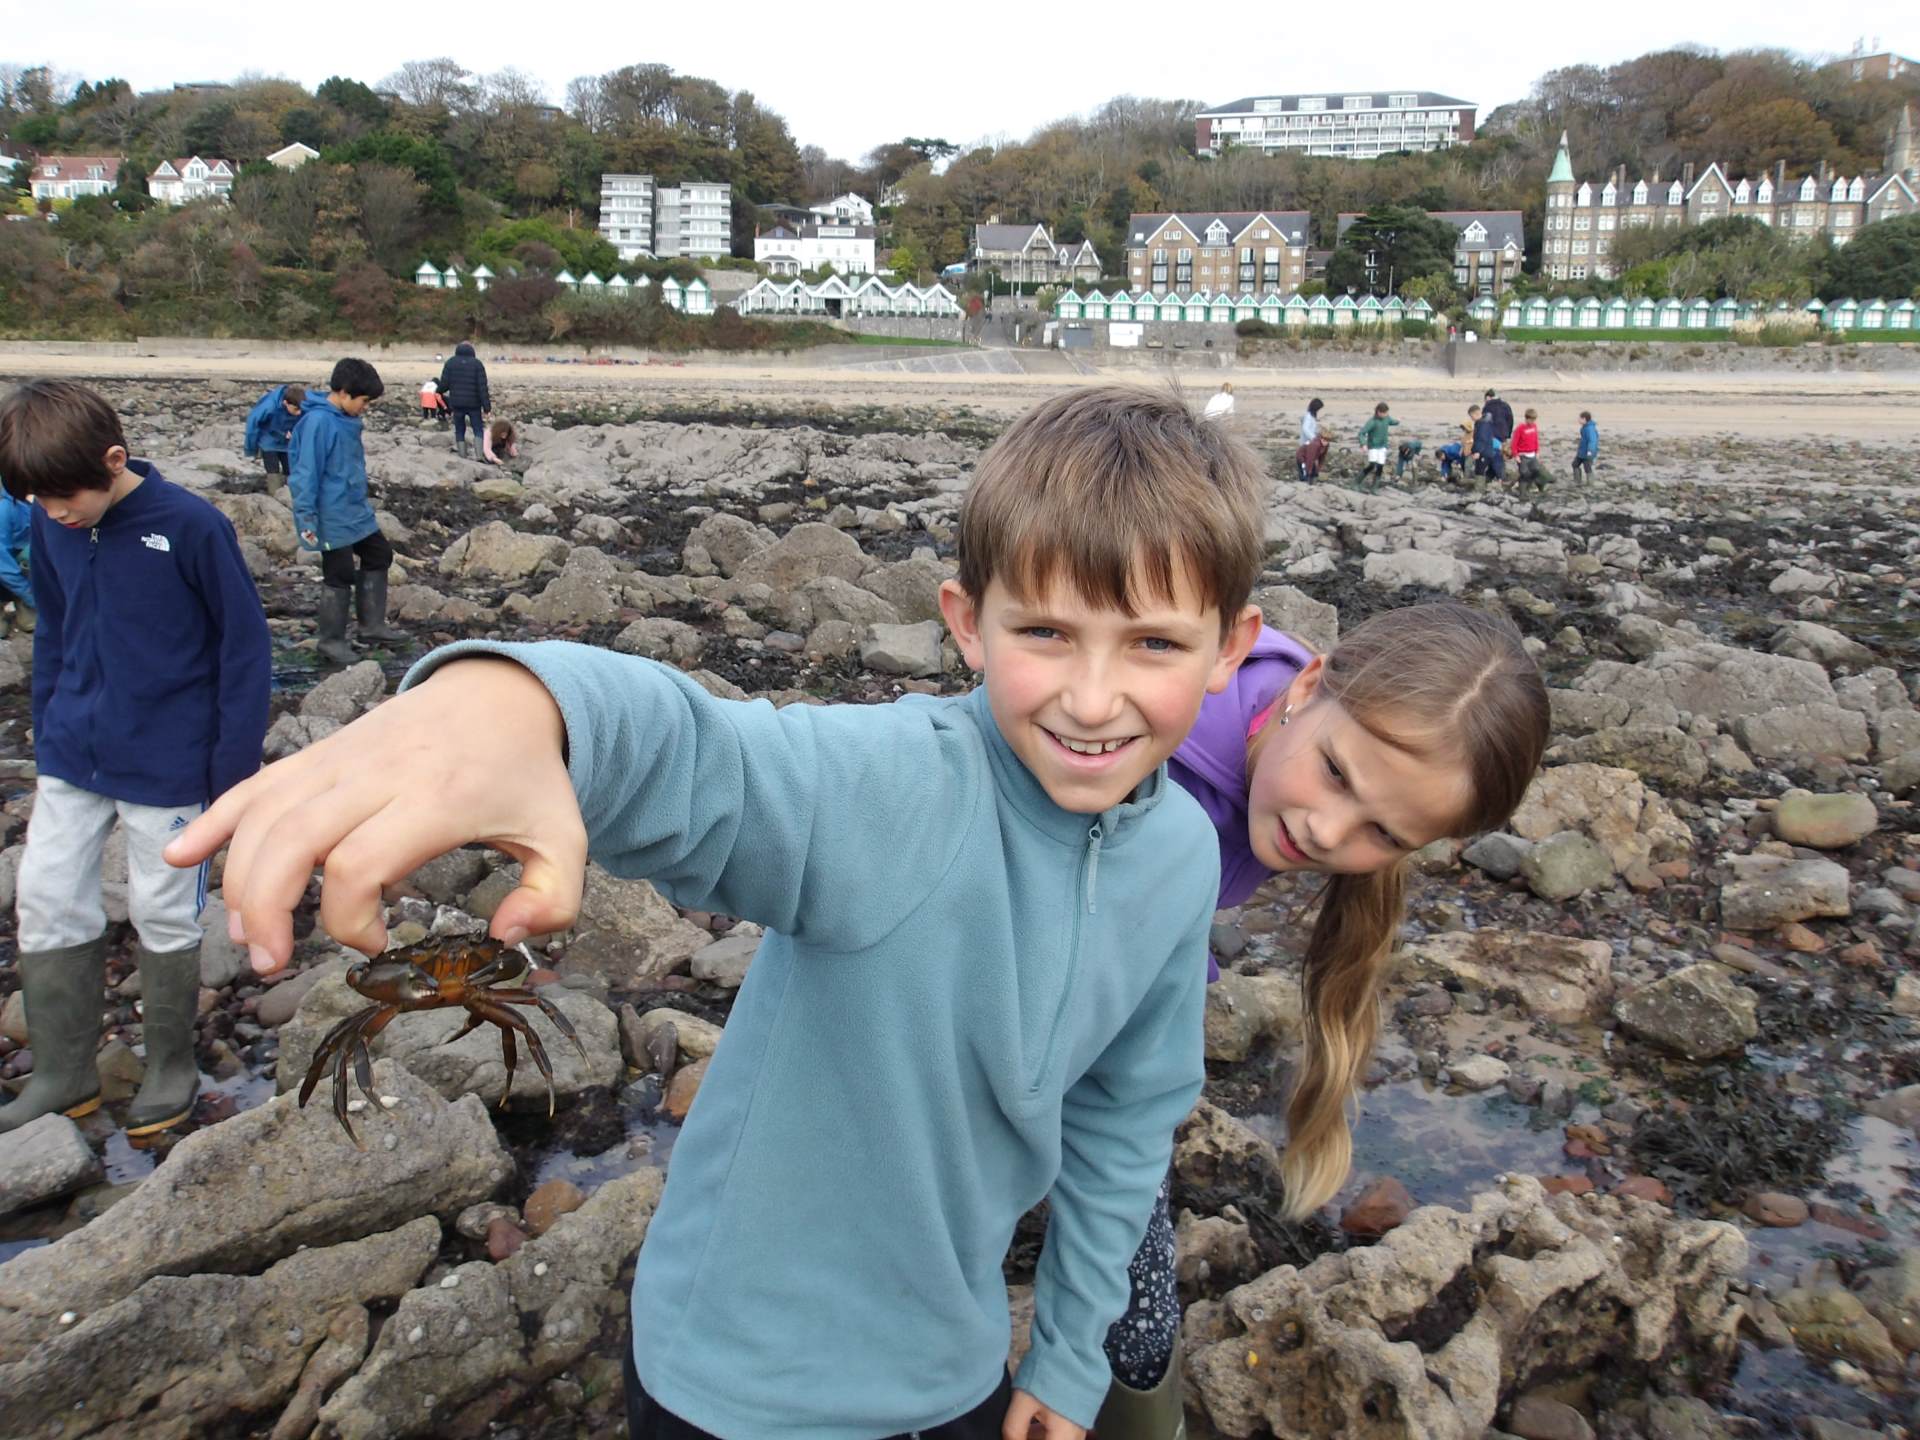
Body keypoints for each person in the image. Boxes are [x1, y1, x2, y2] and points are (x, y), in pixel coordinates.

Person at [168, 385, 1271, 1440]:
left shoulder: (1182, 857)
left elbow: (1126, 1123)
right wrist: (521, 706)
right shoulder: (897, 789)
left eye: (1153, 643)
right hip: (734, 1386)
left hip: (955, 1365)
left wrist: (1072, 1354)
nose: (1092, 697)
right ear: (967, 623)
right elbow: (711, 761)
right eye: (1047, 634)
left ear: (1231, 646)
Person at [1100, 602, 1550, 1429]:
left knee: (1141, 1308)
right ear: (1308, 685)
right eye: (1338, 774)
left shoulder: (1297, 737)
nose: (1325, 830)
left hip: (1112, 1012)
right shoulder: (1149, 729)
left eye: (1384, 832)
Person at [0, 380, 270, 1136]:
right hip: (73, 753)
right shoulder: (49, 519)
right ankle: (62, 1075)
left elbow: (244, 651)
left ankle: (170, 1066)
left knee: (163, 907)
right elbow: (54, 629)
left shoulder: (191, 526)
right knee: (46, 894)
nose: (54, 512)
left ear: (114, 460)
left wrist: (232, 777)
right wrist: (49, 720)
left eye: (65, 497)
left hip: (169, 763)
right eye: (37, 499)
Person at [288, 358, 404, 666]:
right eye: (363, 401)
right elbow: (305, 474)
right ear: (343, 392)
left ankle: (371, 626)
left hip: (354, 509)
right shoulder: (319, 423)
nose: (365, 407)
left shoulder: (344, 419)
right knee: (339, 574)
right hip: (330, 514)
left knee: (379, 554)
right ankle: (331, 641)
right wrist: (306, 517)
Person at [243, 382, 306, 492]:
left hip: (287, 442)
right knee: (273, 470)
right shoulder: (269, 406)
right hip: (268, 441)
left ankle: (292, 493)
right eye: (296, 409)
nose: (299, 413)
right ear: (286, 403)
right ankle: (275, 495)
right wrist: (251, 449)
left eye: (301, 410)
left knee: (291, 469)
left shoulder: (301, 401)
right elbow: (253, 424)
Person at [437, 341, 491, 460]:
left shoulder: (450, 363)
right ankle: (479, 455)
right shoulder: (477, 364)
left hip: (457, 403)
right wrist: (487, 407)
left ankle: (462, 456)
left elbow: (444, 384)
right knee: (478, 428)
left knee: (459, 429)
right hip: (474, 404)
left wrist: (438, 391)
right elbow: (482, 387)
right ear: (472, 351)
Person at [0, 488, 35, 638]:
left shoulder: (29, 503)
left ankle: (23, 602)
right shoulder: (4, 509)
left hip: (18, 564)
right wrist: (31, 596)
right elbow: (3, 565)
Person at [1356, 402, 1398, 487]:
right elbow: (1361, 433)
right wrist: (1363, 444)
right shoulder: (1372, 422)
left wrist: (1398, 421)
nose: (1386, 414)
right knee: (1372, 465)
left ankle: (1374, 487)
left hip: (1383, 446)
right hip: (1373, 446)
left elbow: (1392, 421)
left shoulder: (1387, 418)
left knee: (1380, 466)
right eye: (1384, 413)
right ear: (1378, 412)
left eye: (1387, 412)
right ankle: (1356, 483)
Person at [1437, 404, 1478, 483]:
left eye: (1464, 428)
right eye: (1463, 428)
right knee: (1465, 466)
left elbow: (1459, 455)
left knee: (1467, 466)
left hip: (1471, 453)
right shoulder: (1465, 435)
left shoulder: (1474, 433)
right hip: (1465, 453)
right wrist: (1444, 474)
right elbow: (1445, 465)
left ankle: (1467, 480)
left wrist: (1459, 462)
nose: (1464, 429)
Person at [1296, 398, 1328, 481]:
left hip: (1311, 444)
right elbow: (1305, 429)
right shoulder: (1308, 417)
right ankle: (1304, 477)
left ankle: (1310, 476)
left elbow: (1312, 429)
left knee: (1311, 462)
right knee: (1305, 462)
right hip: (1306, 444)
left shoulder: (1312, 417)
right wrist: (1313, 438)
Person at [1472, 403, 1505, 482]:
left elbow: (1481, 439)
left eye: (1471, 416)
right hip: (1488, 451)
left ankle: (1479, 487)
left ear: (1476, 414)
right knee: (1489, 469)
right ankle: (1489, 482)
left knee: (1480, 471)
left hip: (1483, 452)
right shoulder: (1487, 422)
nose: (1472, 419)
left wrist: (1477, 451)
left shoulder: (1482, 424)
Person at [1512, 408, 1543, 489]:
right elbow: (1514, 443)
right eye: (1531, 420)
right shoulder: (1520, 428)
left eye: (1534, 420)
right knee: (1524, 472)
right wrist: (1516, 455)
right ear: (1526, 418)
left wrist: (1537, 451)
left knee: (1536, 470)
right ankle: (1521, 487)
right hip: (1522, 455)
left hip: (1532, 454)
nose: (1532, 422)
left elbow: (1535, 440)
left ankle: (1529, 484)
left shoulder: (1534, 427)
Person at [1573, 410, 1599, 482]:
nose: (1578, 420)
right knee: (1575, 464)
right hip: (1582, 452)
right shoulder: (1584, 427)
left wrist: (1590, 451)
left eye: (1580, 418)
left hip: (1588, 452)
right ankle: (1577, 481)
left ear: (1584, 419)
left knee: (1587, 467)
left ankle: (1590, 482)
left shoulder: (1590, 428)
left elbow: (1592, 441)